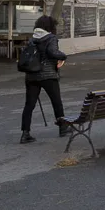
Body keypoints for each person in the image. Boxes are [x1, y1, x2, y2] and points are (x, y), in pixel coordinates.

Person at [18, 14, 67, 144]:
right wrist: (64, 56)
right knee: (56, 102)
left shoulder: (32, 38)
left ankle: (25, 133)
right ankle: (63, 127)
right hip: (48, 75)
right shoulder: (51, 38)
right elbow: (53, 52)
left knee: (29, 105)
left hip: (31, 75)